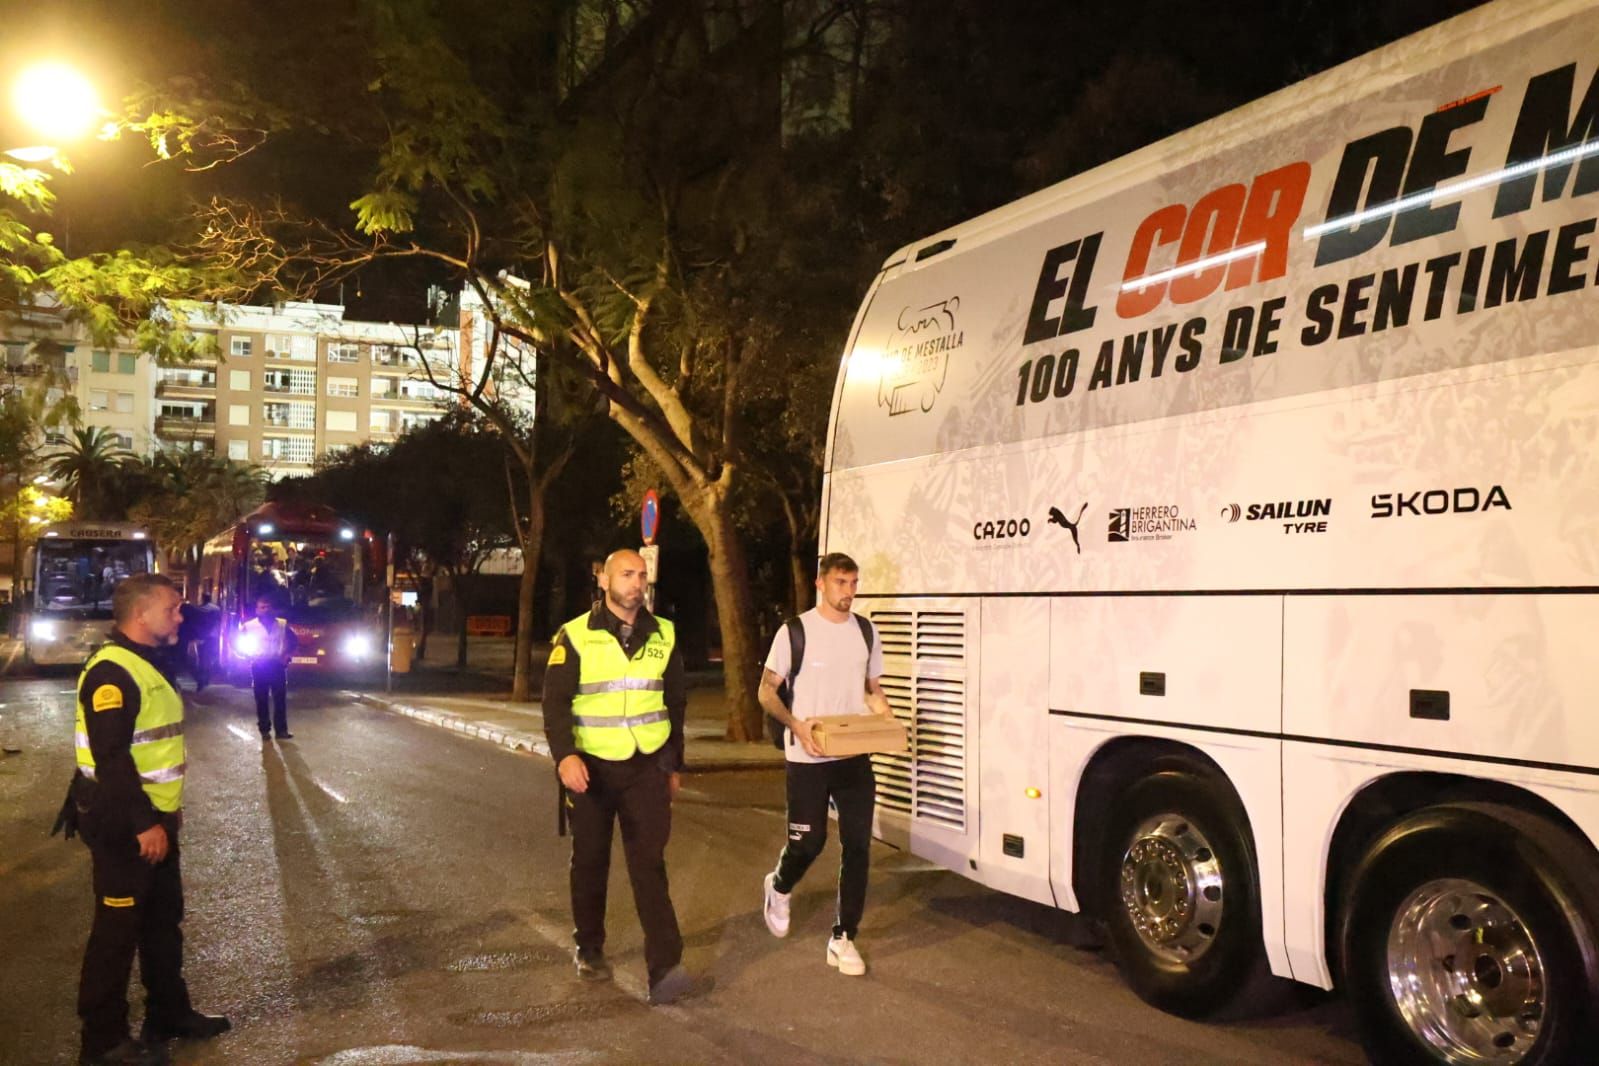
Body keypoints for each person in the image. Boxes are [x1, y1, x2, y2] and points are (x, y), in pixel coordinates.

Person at [69, 573, 230, 1065]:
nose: (179, 616)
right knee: (116, 933)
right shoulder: (113, 672)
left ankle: (168, 1012)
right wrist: (144, 823)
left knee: (162, 921)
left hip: (155, 817)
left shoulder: (143, 661)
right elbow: (111, 756)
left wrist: (165, 813)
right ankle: (103, 1042)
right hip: (123, 823)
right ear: (141, 615)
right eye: (172, 609)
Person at [541, 549, 696, 1005]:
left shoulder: (663, 634)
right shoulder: (574, 635)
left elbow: (676, 704)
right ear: (604, 580)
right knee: (590, 861)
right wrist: (564, 757)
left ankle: (665, 967)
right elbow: (554, 703)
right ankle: (589, 947)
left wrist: (673, 764)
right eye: (627, 574)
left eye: (642, 575)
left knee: (649, 863)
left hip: (646, 764)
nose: (637, 582)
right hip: (590, 767)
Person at [757, 552, 889, 976]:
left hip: (852, 756)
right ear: (820, 584)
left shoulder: (866, 632)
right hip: (807, 757)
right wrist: (796, 725)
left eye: (853, 583)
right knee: (808, 844)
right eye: (840, 583)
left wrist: (884, 717)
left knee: (858, 845)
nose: (848, 592)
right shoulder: (795, 631)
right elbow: (766, 691)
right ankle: (778, 886)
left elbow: (871, 689)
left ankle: (843, 936)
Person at [239, 596, 297, 741]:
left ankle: (281, 731)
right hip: (259, 665)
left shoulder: (282, 624)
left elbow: (293, 641)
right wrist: (246, 656)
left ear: (274, 609)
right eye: (262, 607)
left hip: (277, 664)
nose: (266, 610)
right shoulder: (249, 626)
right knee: (261, 699)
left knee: (280, 699)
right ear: (257, 610)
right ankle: (264, 730)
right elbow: (236, 643)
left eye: (269, 607)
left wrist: (287, 656)